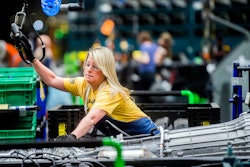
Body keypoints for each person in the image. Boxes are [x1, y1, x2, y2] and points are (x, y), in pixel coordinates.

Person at [24, 45, 160, 141]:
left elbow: (92, 118)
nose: (88, 69)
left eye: (95, 67)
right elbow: (52, 79)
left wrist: (73, 136)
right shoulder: (84, 84)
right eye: (87, 64)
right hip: (126, 140)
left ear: (105, 70)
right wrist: (32, 59)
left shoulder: (110, 92)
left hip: (148, 138)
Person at [33, 34, 73, 110]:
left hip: (41, 82)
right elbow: (51, 70)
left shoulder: (36, 53)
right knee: (44, 101)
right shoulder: (46, 53)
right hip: (45, 82)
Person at [133, 31, 158, 102]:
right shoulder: (154, 46)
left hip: (145, 72)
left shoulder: (144, 46)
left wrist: (136, 57)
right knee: (150, 92)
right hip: (152, 71)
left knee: (143, 93)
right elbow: (156, 60)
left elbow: (146, 60)